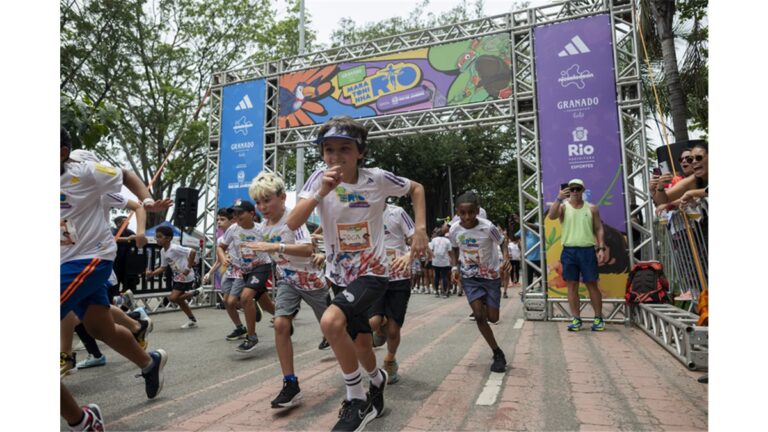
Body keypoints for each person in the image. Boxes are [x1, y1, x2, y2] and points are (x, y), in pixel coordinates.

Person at [287, 116, 428, 431]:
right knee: (362, 344)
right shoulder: (316, 180)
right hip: (339, 276)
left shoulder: (376, 179)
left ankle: (356, 399)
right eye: (329, 150)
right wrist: (321, 192)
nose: (335, 157)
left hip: (374, 273)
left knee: (330, 322)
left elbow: (416, 189)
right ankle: (376, 381)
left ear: (360, 152)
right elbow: (294, 223)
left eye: (344, 149)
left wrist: (419, 229)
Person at [60, 128, 167, 431]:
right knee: (98, 326)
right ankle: (149, 362)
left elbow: (126, 176)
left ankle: (79, 415)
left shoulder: (87, 172)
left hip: (90, 258)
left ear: (63, 152)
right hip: (63, 262)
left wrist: (146, 201)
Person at [246, 171, 329, 408]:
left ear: (282, 197)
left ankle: (358, 374)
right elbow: (266, 249)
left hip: (313, 284)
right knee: (281, 324)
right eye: (258, 202)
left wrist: (276, 247)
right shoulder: (263, 227)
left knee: (334, 330)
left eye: (267, 200)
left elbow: (305, 250)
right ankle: (290, 383)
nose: (262, 206)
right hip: (288, 282)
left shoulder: (294, 218)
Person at [449, 191, 508, 373]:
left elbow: (503, 242)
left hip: (490, 277)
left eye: (471, 212)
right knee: (479, 316)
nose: (467, 217)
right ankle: (497, 353)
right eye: (462, 213)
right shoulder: (454, 230)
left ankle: (484, 301)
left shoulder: (487, 227)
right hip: (470, 277)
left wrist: (505, 258)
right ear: (457, 212)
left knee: (493, 318)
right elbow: (454, 249)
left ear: (477, 211)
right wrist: (454, 268)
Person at [548, 179, 609, 332]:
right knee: (572, 285)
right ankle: (576, 319)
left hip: (587, 250)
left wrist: (601, 247)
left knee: (592, 285)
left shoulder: (592, 208)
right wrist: (558, 198)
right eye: (572, 189)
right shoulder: (563, 207)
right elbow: (551, 216)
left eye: (577, 189)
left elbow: (598, 228)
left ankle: (598, 318)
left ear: (583, 190)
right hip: (569, 251)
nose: (574, 192)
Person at [217, 199, 276, 353]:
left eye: (240, 212)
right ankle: (284, 317)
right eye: (234, 213)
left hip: (261, 267)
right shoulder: (233, 229)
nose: (236, 216)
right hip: (244, 271)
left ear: (251, 214)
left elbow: (277, 245)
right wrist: (223, 258)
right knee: (266, 304)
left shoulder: (262, 229)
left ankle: (251, 337)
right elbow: (221, 247)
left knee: (245, 297)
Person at [367, 203, 417, 385]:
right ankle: (380, 324)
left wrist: (408, 256)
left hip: (399, 278)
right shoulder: (360, 212)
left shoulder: (398, 212)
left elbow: (416, 238)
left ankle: (390, 360)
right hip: (374, 276)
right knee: (372, 322)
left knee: (394, 330)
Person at [204, 208, 249, 339]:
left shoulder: (239, 233)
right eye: (217, 219)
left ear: (232, 221)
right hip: (229, 272)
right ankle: (240, 327)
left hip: (241, 271)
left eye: (222, 219)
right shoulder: (220, 241)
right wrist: (209, 273)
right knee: (226, 301)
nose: (219, 222)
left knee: (232, 300)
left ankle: (250, 306)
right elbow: (219, 261)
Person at [145, 225, 201, 328]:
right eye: (156, 236)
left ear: (168, 238)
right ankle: (192, 320)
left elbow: (192, 251)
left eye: (159, 236)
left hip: (185, 277)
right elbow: (163, 267)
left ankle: (196, 292)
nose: (156, 239)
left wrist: (187, 269)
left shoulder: (174, 248)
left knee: (173, 298)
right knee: (180, 300)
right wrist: (152, 274)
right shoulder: (163, 251)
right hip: (177, 277)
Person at [430, 228, 452, 298]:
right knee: (444, 276)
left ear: (437, 234)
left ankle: (436, 292)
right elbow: (450, 251)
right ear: (444, 234)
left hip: (435, 261)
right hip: (444, 261)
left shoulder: (433, 240)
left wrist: (432, 257)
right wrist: (450, 259)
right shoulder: (447, 241)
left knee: (436, 276)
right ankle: (444, 292)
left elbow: (431, 250)